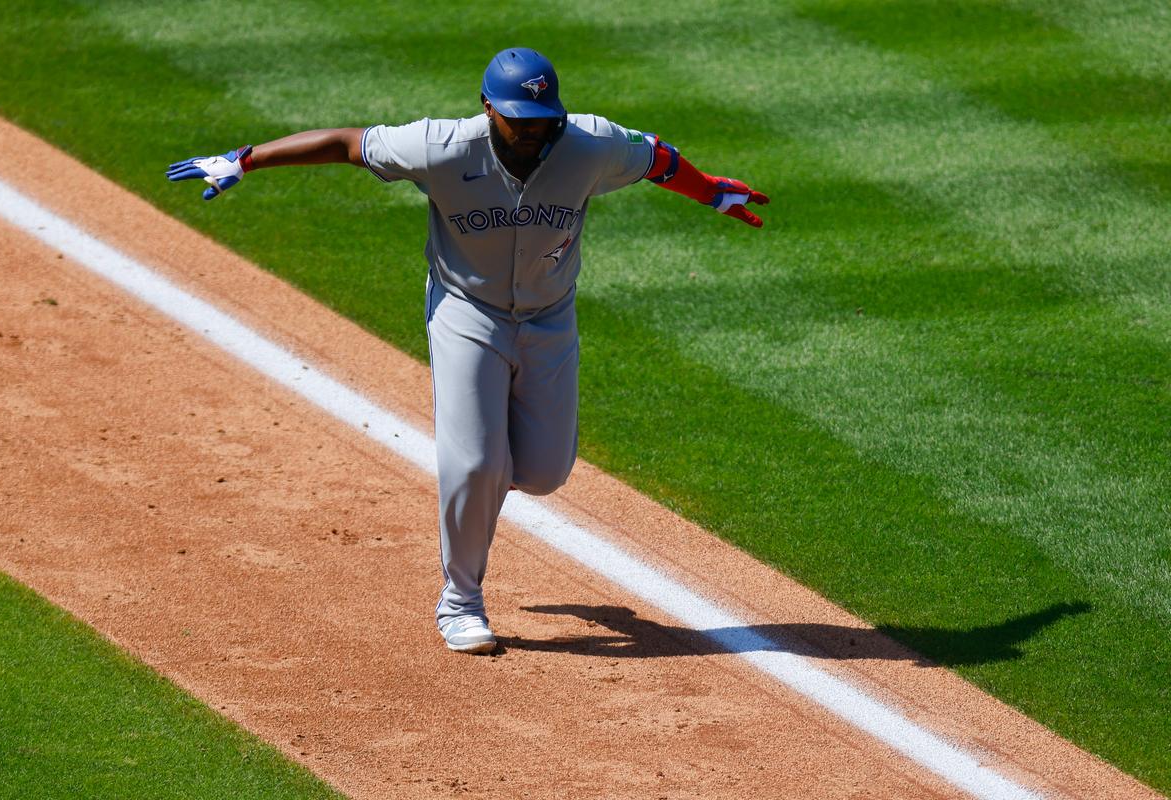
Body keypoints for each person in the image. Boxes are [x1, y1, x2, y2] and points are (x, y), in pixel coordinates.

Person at [167, 47, 767, 655]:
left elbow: (658, 157)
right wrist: (246, 159)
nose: (532, 130)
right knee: (477, 465)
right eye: (518, 119)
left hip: (550, 317)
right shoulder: (440, 147)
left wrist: (711, 193)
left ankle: (485, 472)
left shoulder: (590, 143)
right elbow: (348, 144)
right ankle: (460, 601)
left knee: (544, 474)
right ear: (487, 108)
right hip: (467, 313)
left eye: (542, 119)